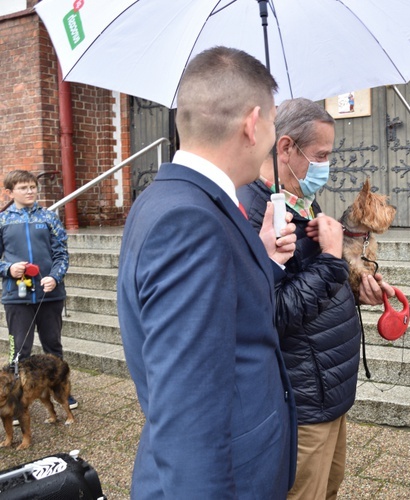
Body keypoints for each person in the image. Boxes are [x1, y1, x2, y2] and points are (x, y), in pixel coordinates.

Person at [117, 47, 299, 499]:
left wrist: (262, 260)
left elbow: (221, 320)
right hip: (228, 479)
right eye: (275, 121)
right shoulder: (191, 221)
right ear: (252, 124)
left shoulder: (174, 198)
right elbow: (188, 414)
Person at [237, 97, 394, 500]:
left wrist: (357, 288)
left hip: (331, 385)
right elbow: (269, 312)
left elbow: (316, 284)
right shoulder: (256, 214)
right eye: (320, 155)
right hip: (304, 395)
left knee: (329, 487)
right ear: (285, 148)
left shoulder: (301, 200)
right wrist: (330, 259)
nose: (327, 165)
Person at [0, 169, 77, 410]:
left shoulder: (49, 217)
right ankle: (15, 397)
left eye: (33, 186)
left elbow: (61, 253)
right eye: (24, 187)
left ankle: (62, 392)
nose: (30, 191)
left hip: (49, 295)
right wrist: (9, 268)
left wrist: (54, 277)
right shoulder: (2, 221)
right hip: (16, 296)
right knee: (18, 349)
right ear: (10, 192)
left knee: (53, 345)